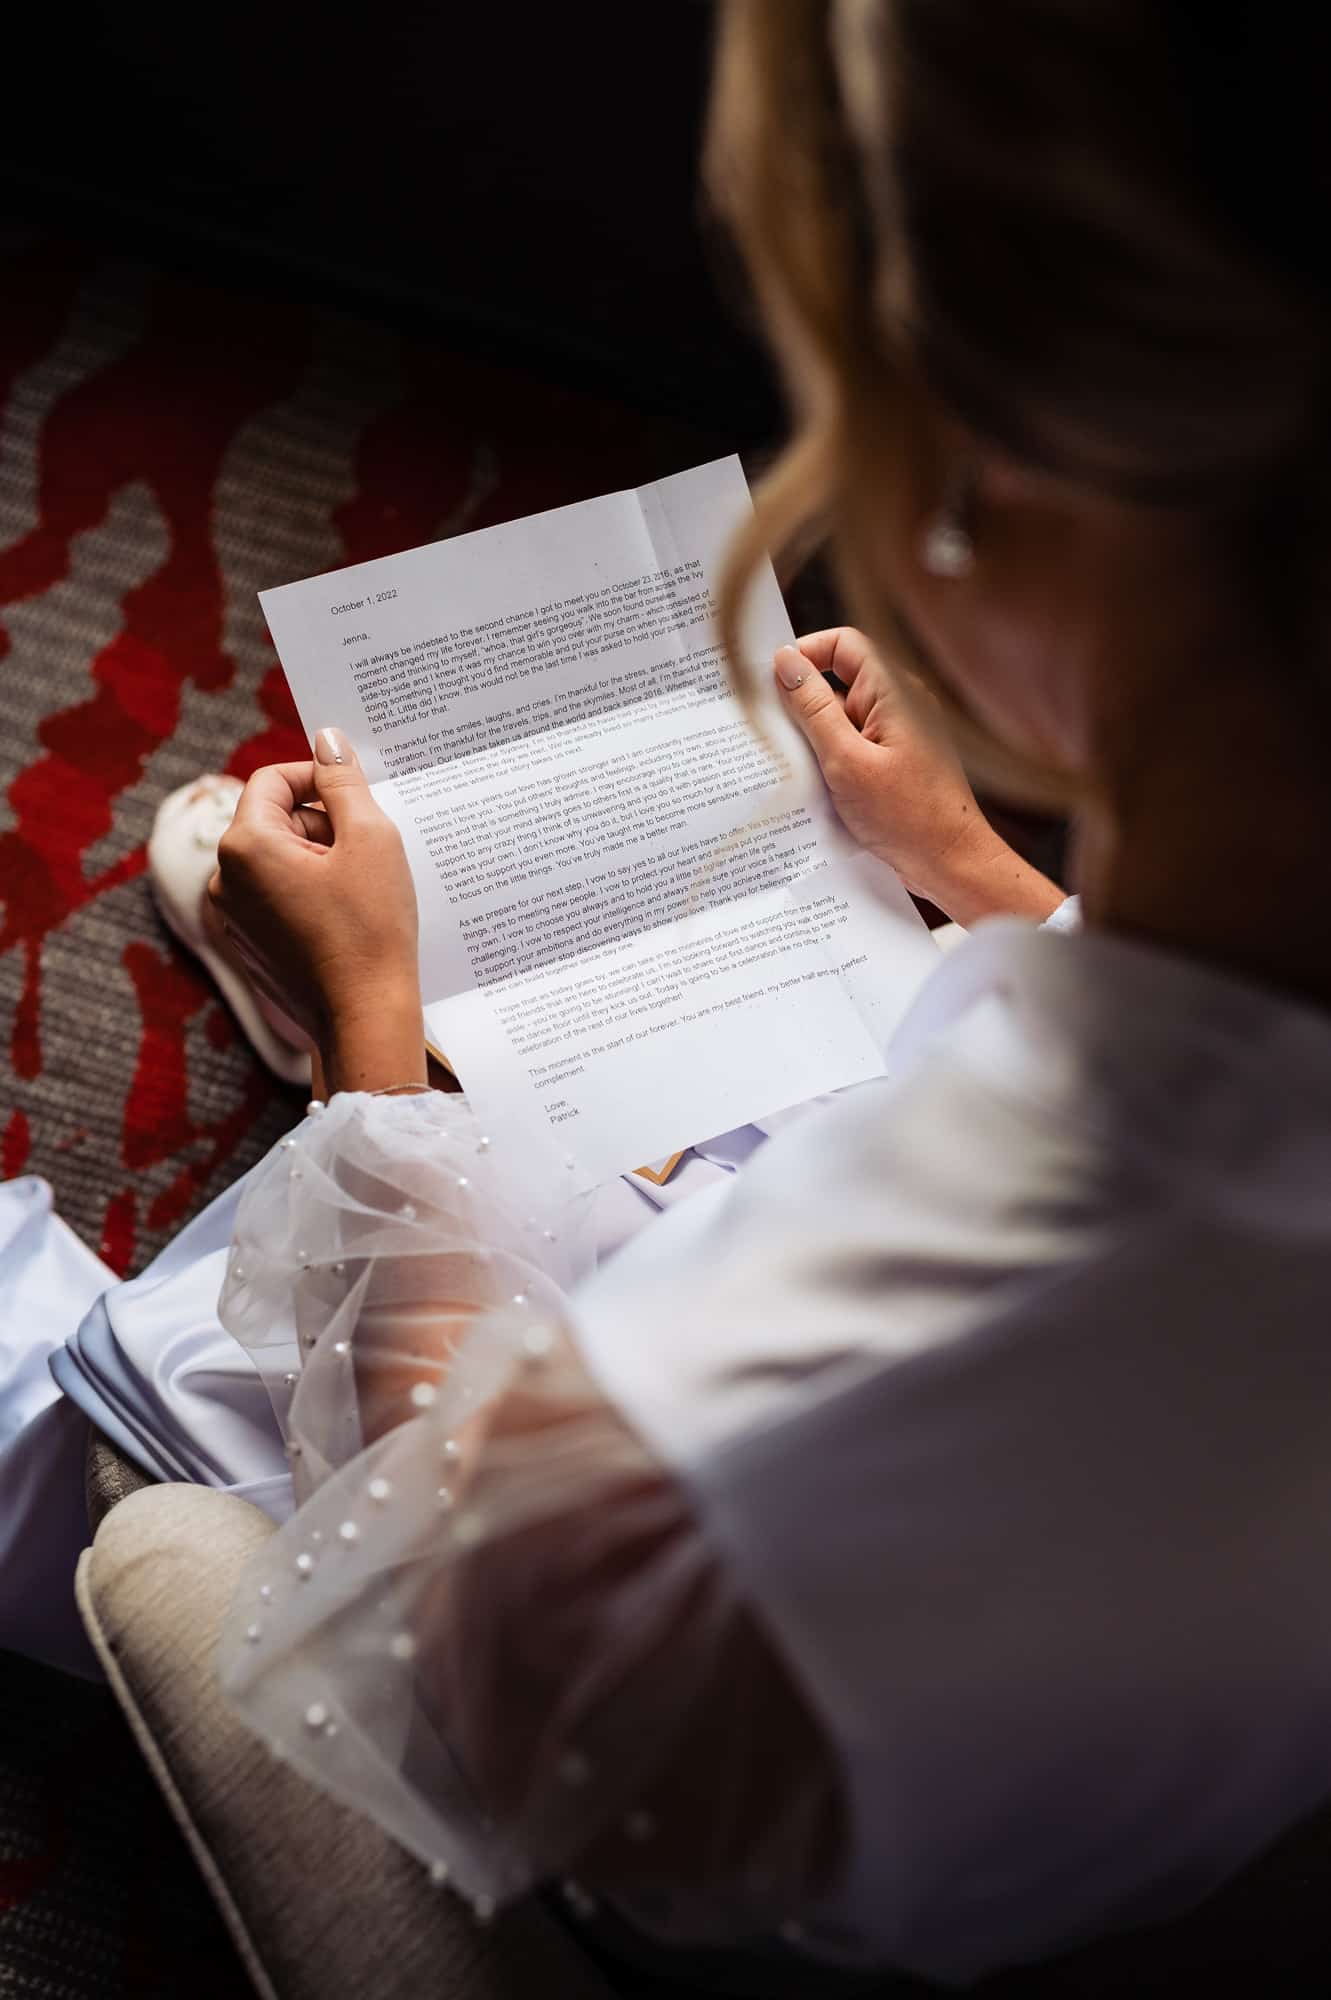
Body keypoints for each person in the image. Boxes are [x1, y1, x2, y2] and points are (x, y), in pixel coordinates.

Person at [5, 0, 1331, 1985]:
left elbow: (416, 1611)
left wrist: (382, 1036)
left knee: (99, 1402)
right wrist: (977, 873)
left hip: (625, 1795)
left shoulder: (730, 1443)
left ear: (1011, 517)